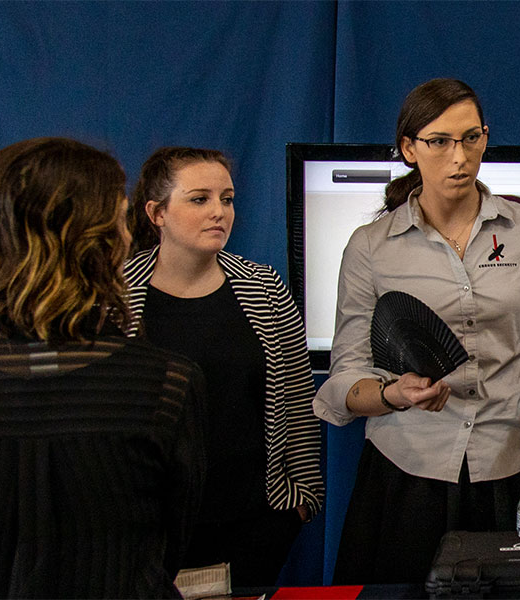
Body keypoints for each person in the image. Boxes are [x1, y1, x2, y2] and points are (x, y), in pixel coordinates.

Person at [0, 137, 206, 598]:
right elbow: (169, 550)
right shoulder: (166, 386)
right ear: (97, 247)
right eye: (118, 221)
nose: (130, 236)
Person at [313, 78, 520, 584]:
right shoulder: (371, 246)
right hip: (407, 475)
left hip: (510, 469)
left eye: (472, 138)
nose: (460, 157)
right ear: (408, 149)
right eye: (440, 141)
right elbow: (344, 382)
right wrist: (393, 393)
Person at [120, 147, 324, 587]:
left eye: (227, 199)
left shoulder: (264, 289)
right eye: (200, 199)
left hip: (252, 523)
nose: (219, 212)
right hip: (143, 528)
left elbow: (297, 400)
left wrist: (302, 501)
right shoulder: (115, 293)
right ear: (157, 213)